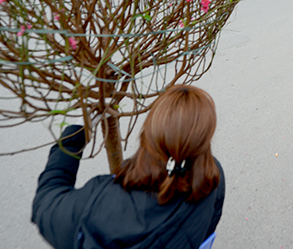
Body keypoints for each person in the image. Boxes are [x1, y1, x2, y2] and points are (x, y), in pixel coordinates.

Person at [32, 85, 225, 249]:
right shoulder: (210, 180)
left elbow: (45, 203)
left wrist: (74, 135)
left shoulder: (96, 205)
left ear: (147, 132)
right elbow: (208, 231)